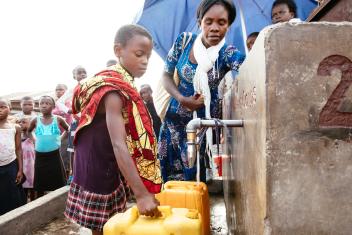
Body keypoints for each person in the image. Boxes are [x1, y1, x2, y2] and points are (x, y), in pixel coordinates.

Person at [64, 24, 162, 235]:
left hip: (106, 155)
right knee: (102, 223)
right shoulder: (113, 90)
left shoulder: (124, 83)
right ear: (118, 51)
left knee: (113, 216)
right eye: (139, 54)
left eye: (148, 56)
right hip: (97, 159)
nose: (145, 61)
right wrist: (142, 195)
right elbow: (119, 143)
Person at [158, 0, 245, 183]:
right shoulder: (184, 41)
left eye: (221, 22)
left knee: (193, 175)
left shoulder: (227, 54)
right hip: (172, 122)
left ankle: (193, 211)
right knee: (169, 178)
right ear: (200, 23)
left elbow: (249, 67)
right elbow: (166, 75)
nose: (214, 28)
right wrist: (182, 98)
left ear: (228, 26)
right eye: (209, 21)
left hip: (200, 124)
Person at [28, 96, 69, 197]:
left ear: (53, 106)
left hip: (54, 155)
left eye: (47, 103)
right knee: (40, 181)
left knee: (58, 180)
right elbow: (29, 131)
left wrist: (60, 138)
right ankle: (39, 200)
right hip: (40, 156)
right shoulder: (35, 120)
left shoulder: (58, 119)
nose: (44, 105)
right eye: (42, 103)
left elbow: (68, 129)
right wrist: (34, 140)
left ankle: (59, 199)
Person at [0, 98, 24, 215]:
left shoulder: (15, 128)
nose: (0, 110)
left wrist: (20, 169)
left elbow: (18, 149)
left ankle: (13, 218)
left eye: (3, 107)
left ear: (10, 108)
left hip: (11, 164)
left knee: (12, 192)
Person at [53, 83, 71, 178]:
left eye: (61, 89)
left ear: (66, 91)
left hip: (66, 133)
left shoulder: (67, 103)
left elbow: (69, 119)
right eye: (57, 90)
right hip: (55, 134)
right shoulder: (54, 103)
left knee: (64, 156)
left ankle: (66, 178)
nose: (58, 91)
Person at [18, 116, 36, 202]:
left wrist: (29, 130)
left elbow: (35, 142)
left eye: (24, 122)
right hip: (22, 168)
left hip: (32, 168)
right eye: (19, 122)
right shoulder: (18, 138)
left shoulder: (32, 137)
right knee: (23, 189)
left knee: (33, 189)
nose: (21, 124)